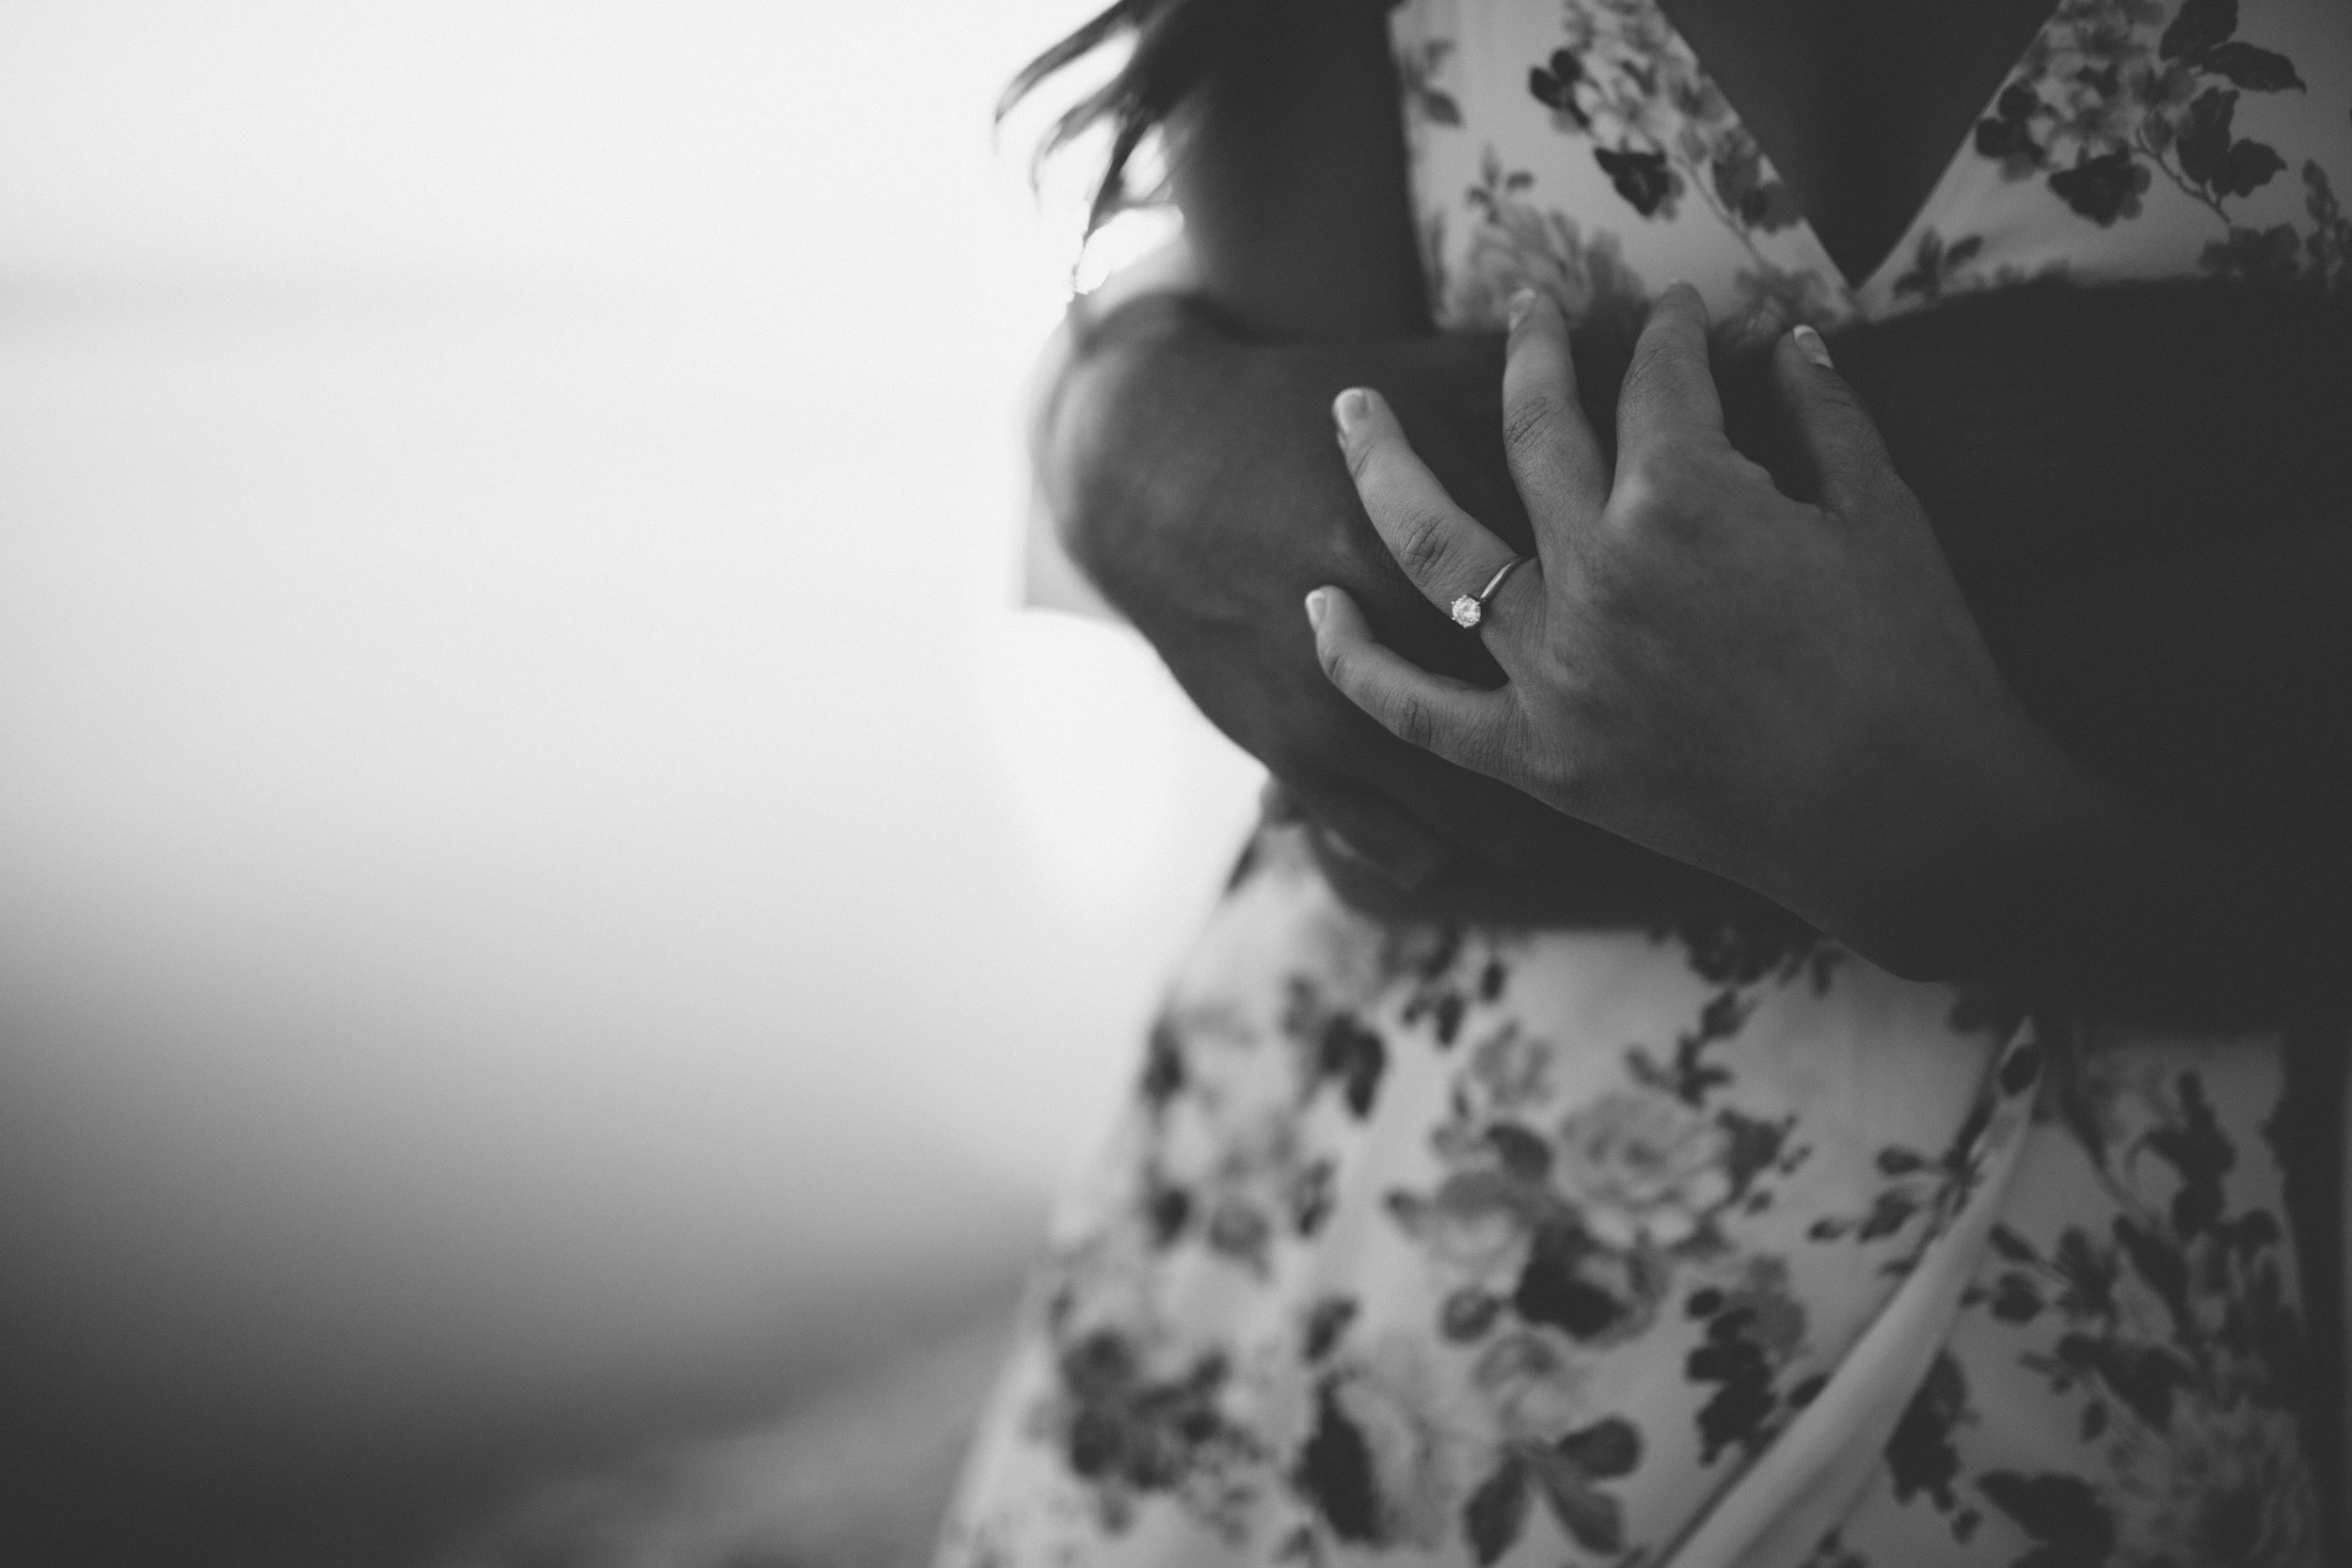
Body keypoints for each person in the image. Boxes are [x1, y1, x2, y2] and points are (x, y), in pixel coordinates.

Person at [940, 1, 2352, 1563]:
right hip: (1398, 1282)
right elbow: (1362, 738)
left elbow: (1336, 534)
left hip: (2183, 1319)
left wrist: (1999, 868)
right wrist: (1124, 425)